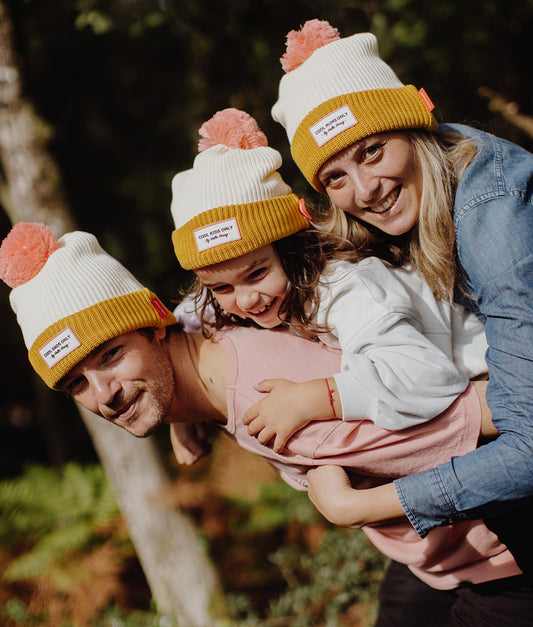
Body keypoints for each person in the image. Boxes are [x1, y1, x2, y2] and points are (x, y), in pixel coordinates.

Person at [1, 221, 532, 626]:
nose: (104, 395)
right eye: (75, 384)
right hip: (434, 560)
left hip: (502, 554)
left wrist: (348, 505)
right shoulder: (213, 334)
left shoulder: (272, 406)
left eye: (111, 356)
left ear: (153, 327)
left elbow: (481, 414)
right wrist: (179, 419)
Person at [271, 15, 533, 609]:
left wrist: (361, 506)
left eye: (372, 151)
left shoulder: (497, 223)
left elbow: (532, 445)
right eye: (336, 176)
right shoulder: (426, 181)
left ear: (414, 127)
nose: (366, 190)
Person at [170, 107, 486, 455]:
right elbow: (185, 319)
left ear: (292, 250)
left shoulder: (344, 289)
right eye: (222, 288)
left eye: (257, 274)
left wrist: (315, 398)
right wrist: (181, 415)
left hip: (490, 380)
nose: (245, 301)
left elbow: (427, 378)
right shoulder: (242, 297)